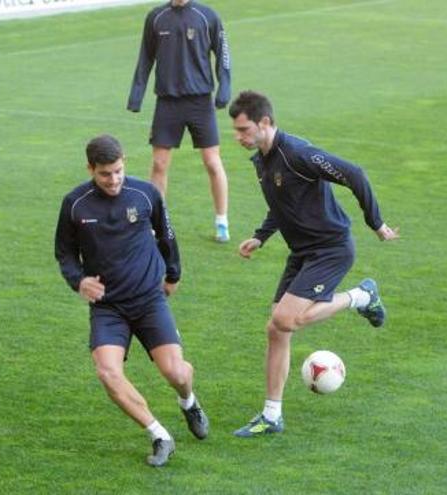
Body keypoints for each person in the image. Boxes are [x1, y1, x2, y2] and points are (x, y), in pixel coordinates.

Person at [227, 90, 398, 437]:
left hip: (331, 248)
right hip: (302, 252)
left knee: (287, 318)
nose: (238, 137)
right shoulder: (262, 159)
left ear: (264, 123)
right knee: (277, 329)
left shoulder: (298, 154)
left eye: (244, 130)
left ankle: (362, 296)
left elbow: (355, 173)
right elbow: (282, 203)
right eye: (236, 130)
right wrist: (261, 236)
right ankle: (271, 416)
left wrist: (376, 223)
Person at [55, 134, 209, 467]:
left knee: (178, 373)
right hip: (108, 306)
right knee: (107, 373)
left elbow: (166, 235)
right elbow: (65, 252)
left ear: (125, 162)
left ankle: (188, 402)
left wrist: (173, 275)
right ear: (90, 169)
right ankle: (159, 435)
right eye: (105, 174)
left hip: (148, 299)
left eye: (118, 171)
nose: (113, 180)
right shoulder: (75, 204)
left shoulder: (146, 194)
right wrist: (78, 281)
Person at [127, 0, 232, 242]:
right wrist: (136, 95)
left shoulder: (207, 16)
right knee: (159, 164)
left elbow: (223, 53)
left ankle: (222, 221)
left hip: (200, 101)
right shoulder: (156, 17)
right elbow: (145, 57)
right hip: (167, 101)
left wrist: (224, 88)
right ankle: (157, 223)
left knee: (212, 162)